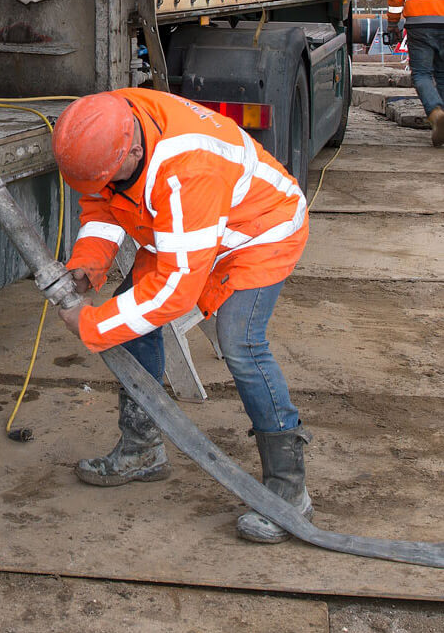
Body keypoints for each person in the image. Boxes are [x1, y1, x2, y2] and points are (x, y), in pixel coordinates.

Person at [52, 88, 310, 544]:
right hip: (185, 225)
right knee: (131, 315)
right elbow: (102, 201)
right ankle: (142, 449)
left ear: (134, 152)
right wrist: (88, 264)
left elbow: (174, 292)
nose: (103, 184)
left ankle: (288, 491)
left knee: (241, 343)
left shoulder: (187, 169)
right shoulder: (110, 122)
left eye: (109, 175)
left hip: (258, 230)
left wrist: (91, 325)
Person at [387, 0, 444, 147]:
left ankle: (436, 113)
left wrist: (392, 22)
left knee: (421, 74)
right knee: (442, 74)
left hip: (419, 25)